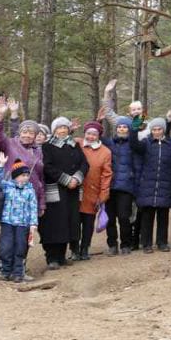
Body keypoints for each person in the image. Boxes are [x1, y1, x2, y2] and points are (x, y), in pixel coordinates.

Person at [0, 97, 46, 270]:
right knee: (8, 233)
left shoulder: (39, 152)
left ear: (36, 136)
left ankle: (19, 267)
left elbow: (41, 179)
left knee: (24, 234)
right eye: (25, 131)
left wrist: (42, 203)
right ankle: (2, 263)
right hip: (10, 197)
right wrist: (1, 115)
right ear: (20, 132)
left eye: (31, 133)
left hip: (31, 197)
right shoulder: (10, 144)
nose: (28, 135)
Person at [130, 116, 171, 252]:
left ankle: (162, 242)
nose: (156, 132)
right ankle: (147, 244)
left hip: (165, 186)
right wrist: (134, 129)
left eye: (159, 129)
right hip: (147, 186)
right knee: (147, 217)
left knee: (163, 216)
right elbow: (133, 145)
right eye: (154, 129)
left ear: (163, 130)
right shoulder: (146, 143)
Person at [41, 117, 87, 269]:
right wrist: (67, 180)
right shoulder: (47, 146)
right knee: (54, 224)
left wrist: (77, 178)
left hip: (72, 191)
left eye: (64, 128)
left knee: (69, 223)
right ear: (54, 131)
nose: (62, 131)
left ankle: (61, 256)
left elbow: (84, 164)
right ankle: (51, 257)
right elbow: (47, 167)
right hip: (56, 189)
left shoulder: (75, 145)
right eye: (58, 128)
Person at [0, 155, 38, 283]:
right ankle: (5, 271)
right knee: (6, 247)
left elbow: (33, 207)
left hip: (23, 224)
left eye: (27, 175)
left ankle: (18, 272)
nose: (25, 177)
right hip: (7, 222)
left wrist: (33, 224)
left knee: (20, 248)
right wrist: (1, 165)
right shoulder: (8, 186)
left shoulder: (30, 190)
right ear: (15, 175)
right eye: (22, 175)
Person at [74, 121, 113, 260]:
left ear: (99, 136)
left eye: (94, 134)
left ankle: (84, 249)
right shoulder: (77, 143)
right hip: (75, 191)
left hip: (93, 192)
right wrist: (71, 130)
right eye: (88, 133)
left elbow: (106, 174)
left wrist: (103, 194)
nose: (91, 136)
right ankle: (74, 249)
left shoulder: (105, 151)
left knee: (88, 223)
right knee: (74, 222)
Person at [100, 114, 138, 254]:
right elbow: (97, 135)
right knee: (110, 218)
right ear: (116, 129)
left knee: (124, 217)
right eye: (119, 127)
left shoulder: (133, 144)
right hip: (110, 186)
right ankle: (112, 245)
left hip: (126, 187)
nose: (122, 129)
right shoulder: (110, 143)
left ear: (128, 129)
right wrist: (99, 120)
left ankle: (125, 244)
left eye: (124, 127)